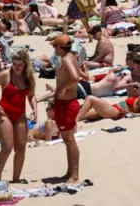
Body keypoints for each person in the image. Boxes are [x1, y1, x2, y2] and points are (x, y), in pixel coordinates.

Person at [0, 50, 36, 182]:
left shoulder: (28, 77)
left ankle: (16, 179)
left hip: (20, 114)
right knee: (7, 147)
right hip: (4, 113)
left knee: (20, 148)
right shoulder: (6, 74)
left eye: (19, 64)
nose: (16, 67)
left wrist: (34, 108)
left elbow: (31, 95)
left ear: (25, 64)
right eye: (14, 64)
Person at [52, 35, 81, 183]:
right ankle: (70, 172)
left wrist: (62, 88)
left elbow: (75, 77)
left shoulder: (66, 59)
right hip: (64, 102)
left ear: (58, 47)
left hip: (67, 104)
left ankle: (74, 175)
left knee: (69, 140)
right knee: (68, 140)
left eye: (54, 46)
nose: (54, 49)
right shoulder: (71, 57)